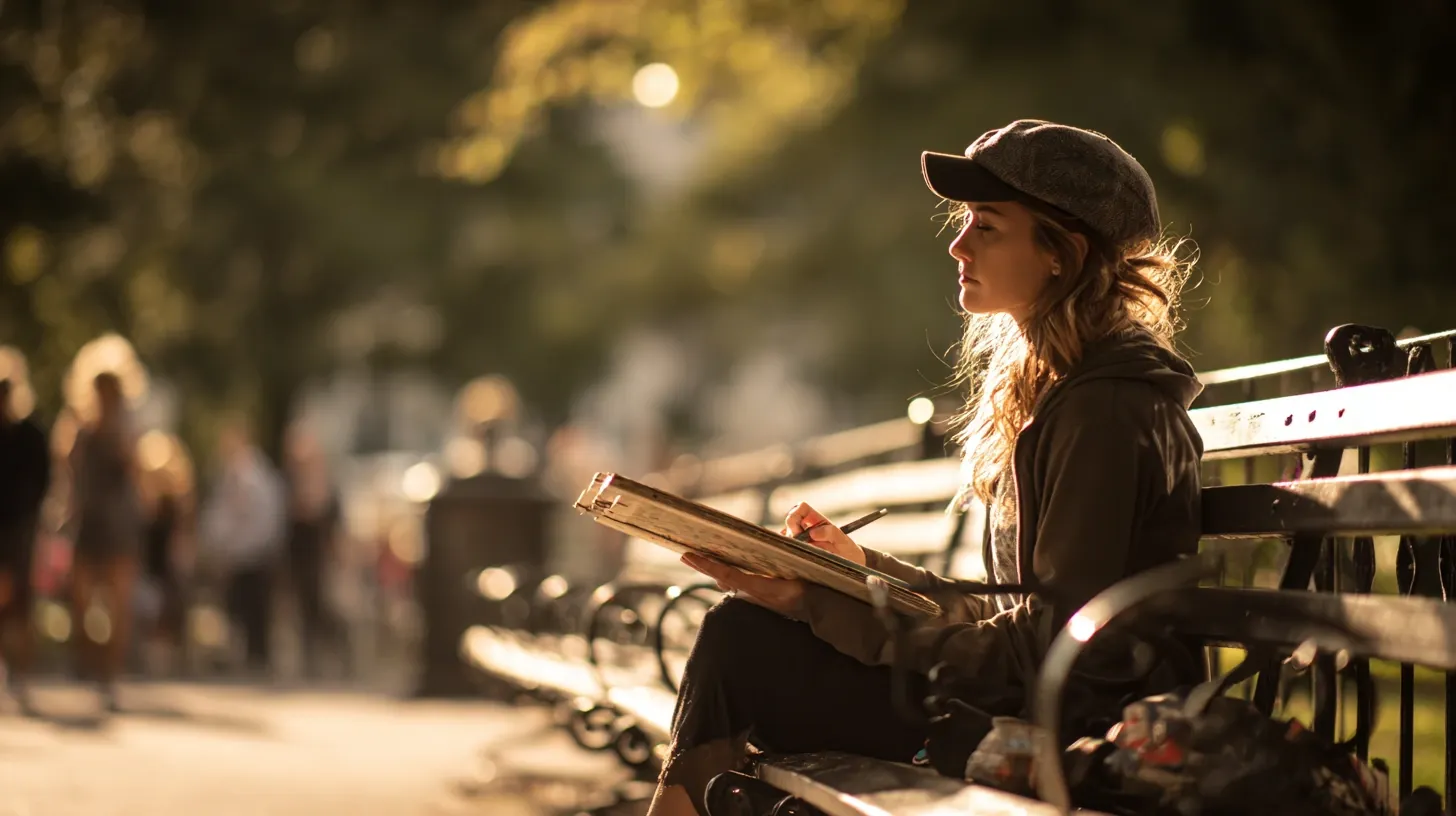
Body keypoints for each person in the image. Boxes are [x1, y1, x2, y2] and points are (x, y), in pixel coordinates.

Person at [648, 120, 1205, 816]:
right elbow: (1004, 612)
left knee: (742, 643)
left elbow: (1051, 647)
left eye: (988, 226)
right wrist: (852, 578)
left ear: (1063, 253)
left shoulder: (1105, 412)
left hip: (1070, 727)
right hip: (1026, 698)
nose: (958, 244)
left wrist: (821, 605)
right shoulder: (1070, 391)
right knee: (745, 634)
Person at [68, 371, 145, 711]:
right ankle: (89, 662)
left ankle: (111, 674)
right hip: (88, 523)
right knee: (82, 600)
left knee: (119, 604)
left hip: (118, 527)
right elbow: (71, 475)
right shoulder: (80, 431)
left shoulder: (126, 432)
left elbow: (137, 475)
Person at [201, 422, 286, 677]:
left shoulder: (250, 477)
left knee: (251, 610)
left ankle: (255, 658)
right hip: (245, 552)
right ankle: (249, 657)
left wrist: (228, 547)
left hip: (251, 553)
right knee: (241, 609)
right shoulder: (237, 475)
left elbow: (247, 519)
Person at [0, 376, 51, 713]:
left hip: (20, 528)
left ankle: (21, 673)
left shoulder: (31, 435)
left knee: (20, 603)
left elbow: (42, 482)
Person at [282, 426, 348, 681]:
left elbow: (335, 525)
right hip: (299, 556)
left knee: (324, 607)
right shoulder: (289, 486)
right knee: (302, 607)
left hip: (321, 559)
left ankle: (334, 655)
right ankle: (308, 657)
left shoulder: (326, 488)